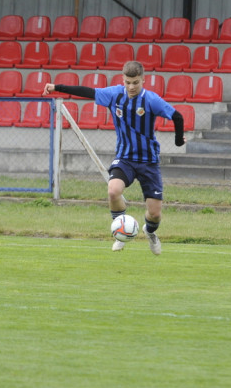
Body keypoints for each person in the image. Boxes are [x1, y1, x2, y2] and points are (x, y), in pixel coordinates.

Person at [43, 60, 185, 255]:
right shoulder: (114, 94)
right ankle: (120, 231)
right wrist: (56, 87)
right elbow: (87, 92)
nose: (131, 87)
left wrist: (178, 141)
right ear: (123, 80)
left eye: (135, 82)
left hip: (148, 162)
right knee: (113, 191)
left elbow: (177, 117)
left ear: (143, 80)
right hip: (125, 158)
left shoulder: (151, 100)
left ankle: (150, 233)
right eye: (128, 82)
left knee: (154, 214)